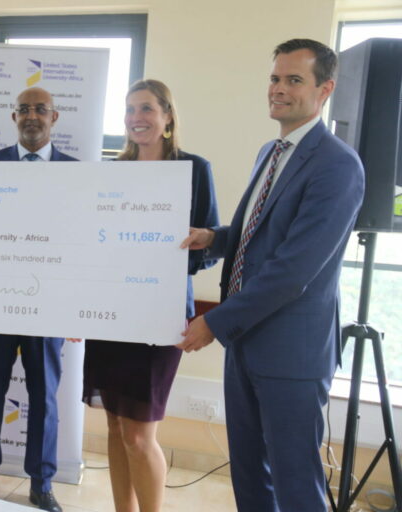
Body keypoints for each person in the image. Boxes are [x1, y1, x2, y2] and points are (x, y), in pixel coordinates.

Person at [179, 39, 364, 511]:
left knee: (296, 484)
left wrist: (214, 323)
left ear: (325, 90)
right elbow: (261, 233)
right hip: (246, 345)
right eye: (275, 78)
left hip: (291, 355)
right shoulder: (271, 150)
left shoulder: (338, 166)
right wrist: (215, 238)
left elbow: (293, 270)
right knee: (248, 477)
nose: (278, 89)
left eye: (294, 80)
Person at [82, 79, 219, 512]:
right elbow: (91, 244)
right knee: (118, 429)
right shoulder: (112, 172)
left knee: (141, 436)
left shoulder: (193, 168)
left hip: (158, 317)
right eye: (128, 110)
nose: (135, 119)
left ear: (167, 116)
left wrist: (167, 260)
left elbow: (210, 246)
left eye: (145, 109)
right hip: (110, 317)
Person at [0, 87, 75, 512]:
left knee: (45, 397)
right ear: (14, 116)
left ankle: (42, 483)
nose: (32, 116)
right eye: (25, 110)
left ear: (55, 116)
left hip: (48, 307)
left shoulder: (77, 173)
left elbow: (78, 243)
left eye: (40, 110)